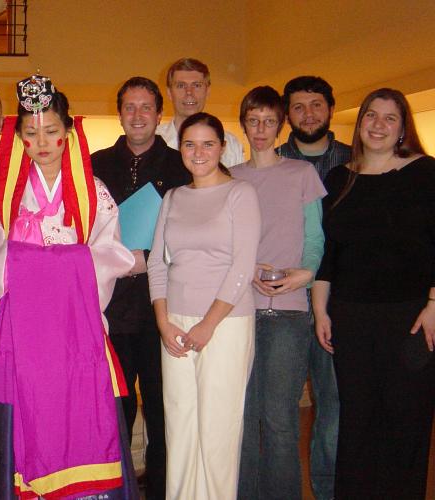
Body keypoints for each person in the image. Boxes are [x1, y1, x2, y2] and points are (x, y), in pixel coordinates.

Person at [0, 74, 137, 498]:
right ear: (18, 137)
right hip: (17, 329)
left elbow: (112, 255)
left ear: (69, 133)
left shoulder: (93, 193)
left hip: (74, 328)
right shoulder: (2, 194)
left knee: (76, 415)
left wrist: (49, 261)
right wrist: (51, 259)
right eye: (31, 132)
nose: (42, 142)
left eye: (52, 131)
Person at [312, 88, 435, 499]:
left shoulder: (425, 173)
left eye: (390, 118)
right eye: (371, 116)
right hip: (351, 316)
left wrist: (434, 304)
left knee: (406, 424)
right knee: (357, 424)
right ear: (360, 122)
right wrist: (321, 311)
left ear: (403, 129)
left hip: (410, 318)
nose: (378, 126)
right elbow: (329, 253)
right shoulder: (339, 178)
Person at [147, 112, 260, 499]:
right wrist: (163, 323)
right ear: (180, 149)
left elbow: (243, 266)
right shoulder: (174, 197)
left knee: (217, 428)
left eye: (208, 143)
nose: (198, 152)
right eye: (190, 144)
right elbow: (157, 264)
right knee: (179, 424)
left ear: (222, 147)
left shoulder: (240, 193)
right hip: (176, 322)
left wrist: (208, 325)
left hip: (225, 323)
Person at [91, 76, 189, 500]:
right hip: (108, 308)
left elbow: (192, 234)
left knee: (166, 407)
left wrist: (150, 258)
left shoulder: (180, 167)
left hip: (163, 308)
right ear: (119, 113)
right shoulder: (94, 165)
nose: (137, 115)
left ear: (159, 114)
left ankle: (164, 489)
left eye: (146, 107)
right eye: (129, 107)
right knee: (114, 407)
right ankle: (117, 489)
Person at [231, 86, 326, 500]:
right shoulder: (231, 176)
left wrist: (303, 275)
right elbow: (227, 243)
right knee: (245, 418)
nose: (262, 129)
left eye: (270, 121)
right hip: (240, 312)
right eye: (254, 121)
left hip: (288, 313)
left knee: (280, 420)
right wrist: (245, 267)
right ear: (244, 125)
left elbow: (316, 239)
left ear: (280, 125)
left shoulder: (301, 174)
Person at [278, 75, 349, 500]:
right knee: (278, 406)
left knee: (334, 404)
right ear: (287, 113)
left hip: (338, 300)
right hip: (281, 300)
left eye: (316, 105)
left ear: (330, 108)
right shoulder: (270, 156)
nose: (308, 114)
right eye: (299, 107)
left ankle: (327, 491)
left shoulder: (352, 160)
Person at [156, 58, 244, 167]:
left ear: (207, 91)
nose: (189, 92)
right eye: (181, 85)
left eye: (197, 85)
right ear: (169, 92)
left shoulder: (230, 144)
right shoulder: (154, 141)